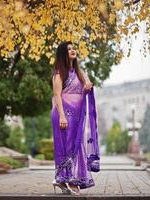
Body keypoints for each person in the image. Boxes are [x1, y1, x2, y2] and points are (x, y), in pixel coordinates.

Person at [51, 41, 100, 195]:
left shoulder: (80, 72)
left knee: (76, 145)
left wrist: (88, 87)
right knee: (65, 146)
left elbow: (87, 85)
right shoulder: (59, 73)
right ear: (63, 54)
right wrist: (62, 116)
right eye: (68, 49)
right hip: (63, 114)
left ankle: (66, 181)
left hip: (78, 116)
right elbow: (57, 95)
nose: (72, 50)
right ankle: (67, 179)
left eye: (73, 48)